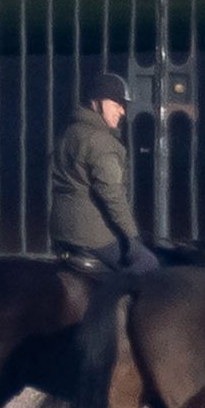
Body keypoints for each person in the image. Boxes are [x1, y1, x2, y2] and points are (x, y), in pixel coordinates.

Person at [49, 71, 160, 274]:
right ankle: (110, 302)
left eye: (123, 105)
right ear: (96, 102)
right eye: (116, 104)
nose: (122, 111)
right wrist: (132, 236)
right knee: (148, 264)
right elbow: (112, 195)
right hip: (90, 235)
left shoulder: (69, 133)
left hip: (60, 230)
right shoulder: (101, 142)